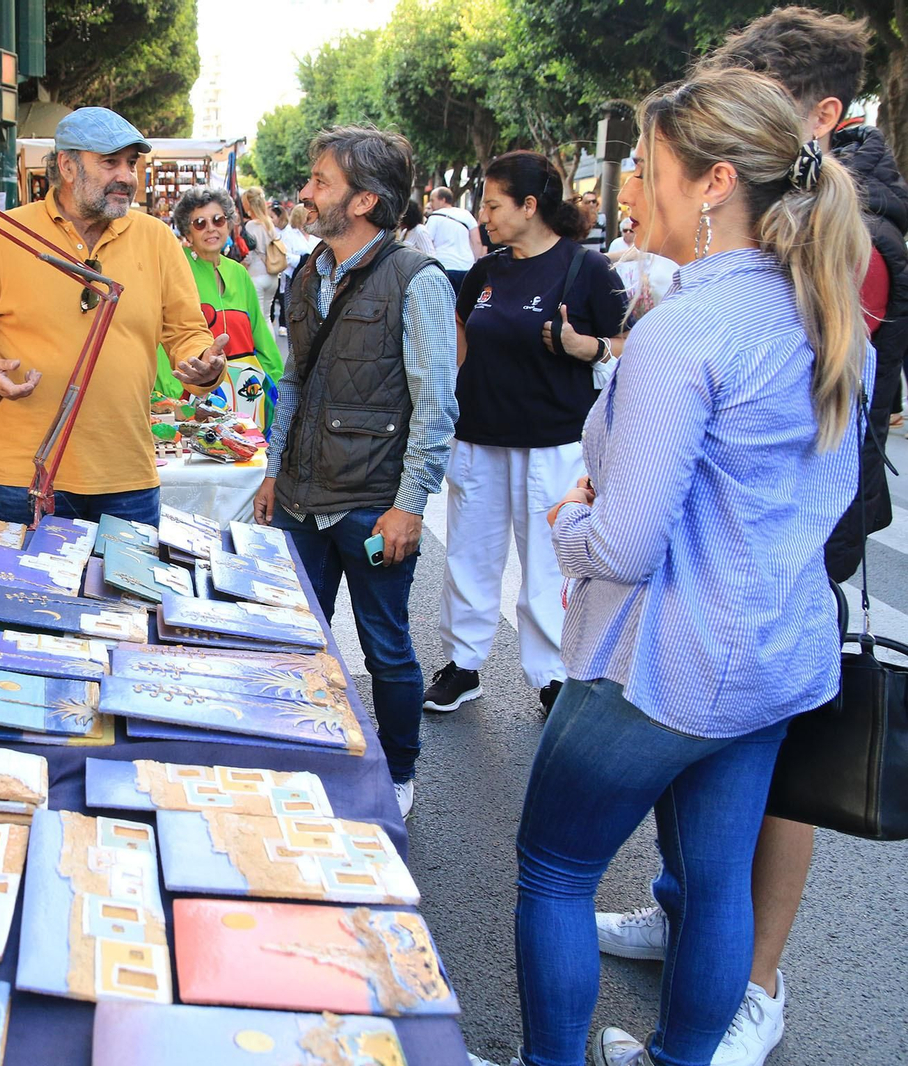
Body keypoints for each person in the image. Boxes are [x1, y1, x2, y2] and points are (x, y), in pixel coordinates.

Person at [481, 68, 872, 1066]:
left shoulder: (685, 333)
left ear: (714, 183)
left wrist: (572, 522)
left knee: (556, 869)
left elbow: (621, 544)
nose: (632, 193)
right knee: (715, 881)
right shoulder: (830, 319)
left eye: (648, 171)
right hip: (774, 657)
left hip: (662, 663)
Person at [592, 12, 908, 1066]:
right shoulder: (796, 228)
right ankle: (690, 927)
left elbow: (788, 402)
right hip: (745, 537)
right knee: (713, 797)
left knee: (757, 781)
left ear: (814, 118)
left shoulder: (853, 233)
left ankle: (750, 986)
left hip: (781, 543)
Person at [253, 124, 459, 820]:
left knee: (386, 649)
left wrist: (410, 507)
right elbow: (294, 381)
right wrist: (274, 471)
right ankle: (304, 753)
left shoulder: (416, 280)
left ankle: (399, 772)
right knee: (295, 638)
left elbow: (436, 406)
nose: (305, 193)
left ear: (366, 200)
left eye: (320, 182)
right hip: (302, 500)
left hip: (372, 508)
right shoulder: (309, 271)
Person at [0, 106, 227, 525]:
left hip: (127, 477)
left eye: (131, 163)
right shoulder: (4, 234)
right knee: (30, 592)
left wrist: (204, 366)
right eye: (110, 162)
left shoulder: (157, 239)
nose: (126, 176)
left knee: (126, 593)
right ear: (67, 166)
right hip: (25, 476)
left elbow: (186, 333)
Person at [423, 151, 628, 717]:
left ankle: (552, 676)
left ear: (530, 205)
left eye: (493, 203)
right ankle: (463, 666)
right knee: (469, 555)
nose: (483, 215)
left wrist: (586, 347)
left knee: (546, 566)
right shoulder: (487, 272)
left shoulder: (586, 269)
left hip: (554, 444)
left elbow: (628, 344)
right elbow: (464, 334)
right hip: (479, 438)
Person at [154, 186, 284, 432]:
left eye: (218, 219)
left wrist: (277, 382)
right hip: (194, 395)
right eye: (200, 223)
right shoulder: (175, 269)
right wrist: (170, 393)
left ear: (229, 224)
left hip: (247, 392)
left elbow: (260, 335)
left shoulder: (238, 272)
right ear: (187, 232)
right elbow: (166, 336)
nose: (211, 228)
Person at [425, 186, 483, 291]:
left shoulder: (434, 217)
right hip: (466, 267)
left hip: (443, 266)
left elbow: (427, 242)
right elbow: (477, 242)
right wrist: (476, 264)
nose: (431, 204)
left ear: (443, 200)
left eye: (433, 200)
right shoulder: (466, 215)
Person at [274, 204, 318, 333]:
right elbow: (285, 256)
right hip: (293, 278)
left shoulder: (314, 235)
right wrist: (303, 260)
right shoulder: (289, 235)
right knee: (292, 312)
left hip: (312, 279)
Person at [240, 186, 283, 316]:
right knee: (266, 318)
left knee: (257, 319)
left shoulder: (251, 225)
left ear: (248, 204)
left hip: (256, 275)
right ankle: (270, 338)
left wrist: (242, 267)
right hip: (272, 275)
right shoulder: (269, 224)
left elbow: (249, 254)